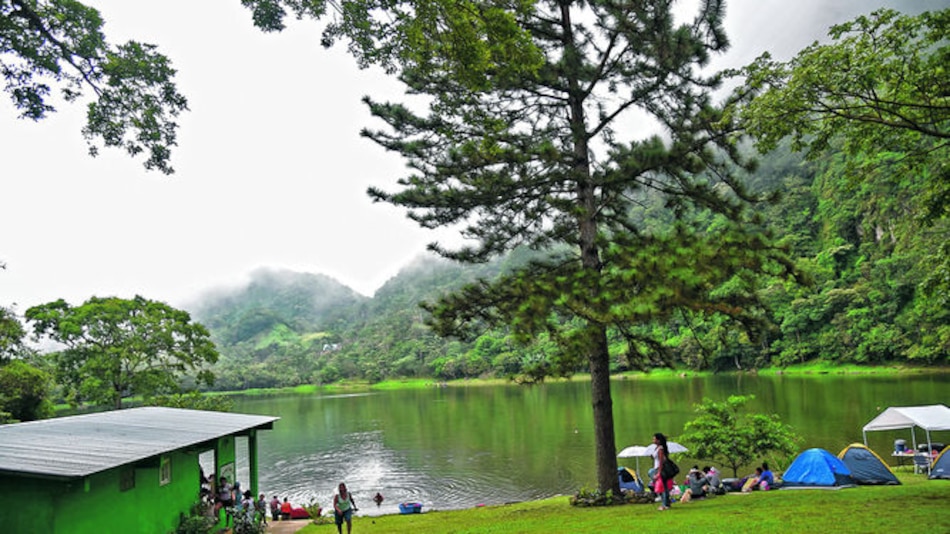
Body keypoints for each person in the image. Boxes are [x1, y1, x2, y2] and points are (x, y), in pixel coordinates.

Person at [652, 432, 674, 511]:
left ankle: (665, 504)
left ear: (658, 440)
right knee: (663, 486)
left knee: (663, 487)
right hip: (656, 468)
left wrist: (659, 472)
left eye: (654, 439)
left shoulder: (660, 449)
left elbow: (661, 461)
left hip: (659, 468)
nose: (653, 440)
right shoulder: (657, 448)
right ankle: (667, 503)